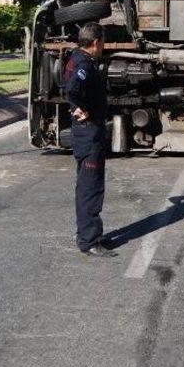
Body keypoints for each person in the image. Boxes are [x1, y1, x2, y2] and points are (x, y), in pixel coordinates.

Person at [65, 22, 116, 258]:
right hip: (89, 133)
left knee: (85, 186)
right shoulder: (84, 64)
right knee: (90, 188)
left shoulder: (75, 58)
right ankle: (90, 241)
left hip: (84, 133)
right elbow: (74, 88)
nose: (104, 46)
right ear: (96, 42)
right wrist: (82, 107)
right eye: (103, 42)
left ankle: (86, 234)